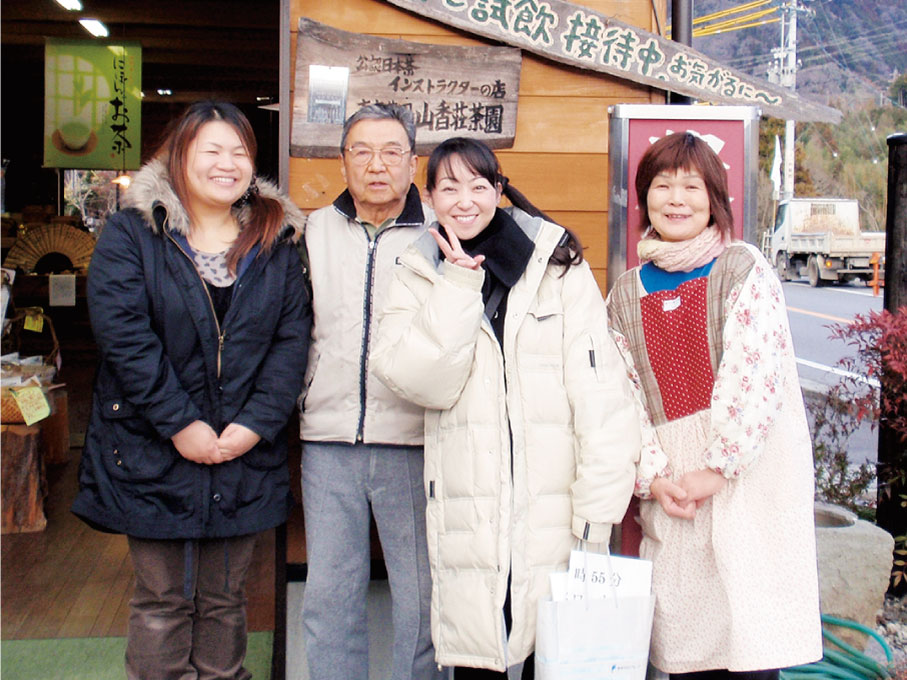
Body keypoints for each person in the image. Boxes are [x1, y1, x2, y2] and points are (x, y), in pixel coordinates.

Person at [372, 137, 641, 678]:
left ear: (499, 190)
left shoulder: (556, 263)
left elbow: (601, 397)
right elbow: (421, 381)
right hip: (469, 511)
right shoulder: (417, 267)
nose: (464, 200)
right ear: (428, 197)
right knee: (479, 659)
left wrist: (597, 513)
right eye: (448, 187)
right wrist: (457, 280)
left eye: (478, 185)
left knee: (560, 660)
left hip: (555, 511)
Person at [71, 101, 311, 680]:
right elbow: (124, 336)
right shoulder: (133, 231)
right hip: (153, 446)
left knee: (228, 601)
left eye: (240, 152)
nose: (227, 164)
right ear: (180, 156)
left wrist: (254, 425)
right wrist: (181, 424)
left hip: (242, 451)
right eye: (213, 150)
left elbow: (292, 339)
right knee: (162, 602)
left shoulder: (277, 239)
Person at [606, 131, 822, 680]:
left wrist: (718, 467)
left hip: (741, 479)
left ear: (715, 199)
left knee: (748, 639)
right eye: (662, 185)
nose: (676, 199)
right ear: (643, 197)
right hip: (673, 491)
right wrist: (655, 477)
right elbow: (622, 396)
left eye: (691, 186)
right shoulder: (626, 293)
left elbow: (757, 375)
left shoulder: (742, 270)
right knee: (685, 647)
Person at [299, 103, 442, 680]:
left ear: (412, 162)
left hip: (415, 440)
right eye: (362, 151)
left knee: (421, 600)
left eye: (391, 152)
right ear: (342, 161)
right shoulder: (312, 230)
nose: (376, 165)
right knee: (329, 598)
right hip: (328, 441)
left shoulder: (441, 229)